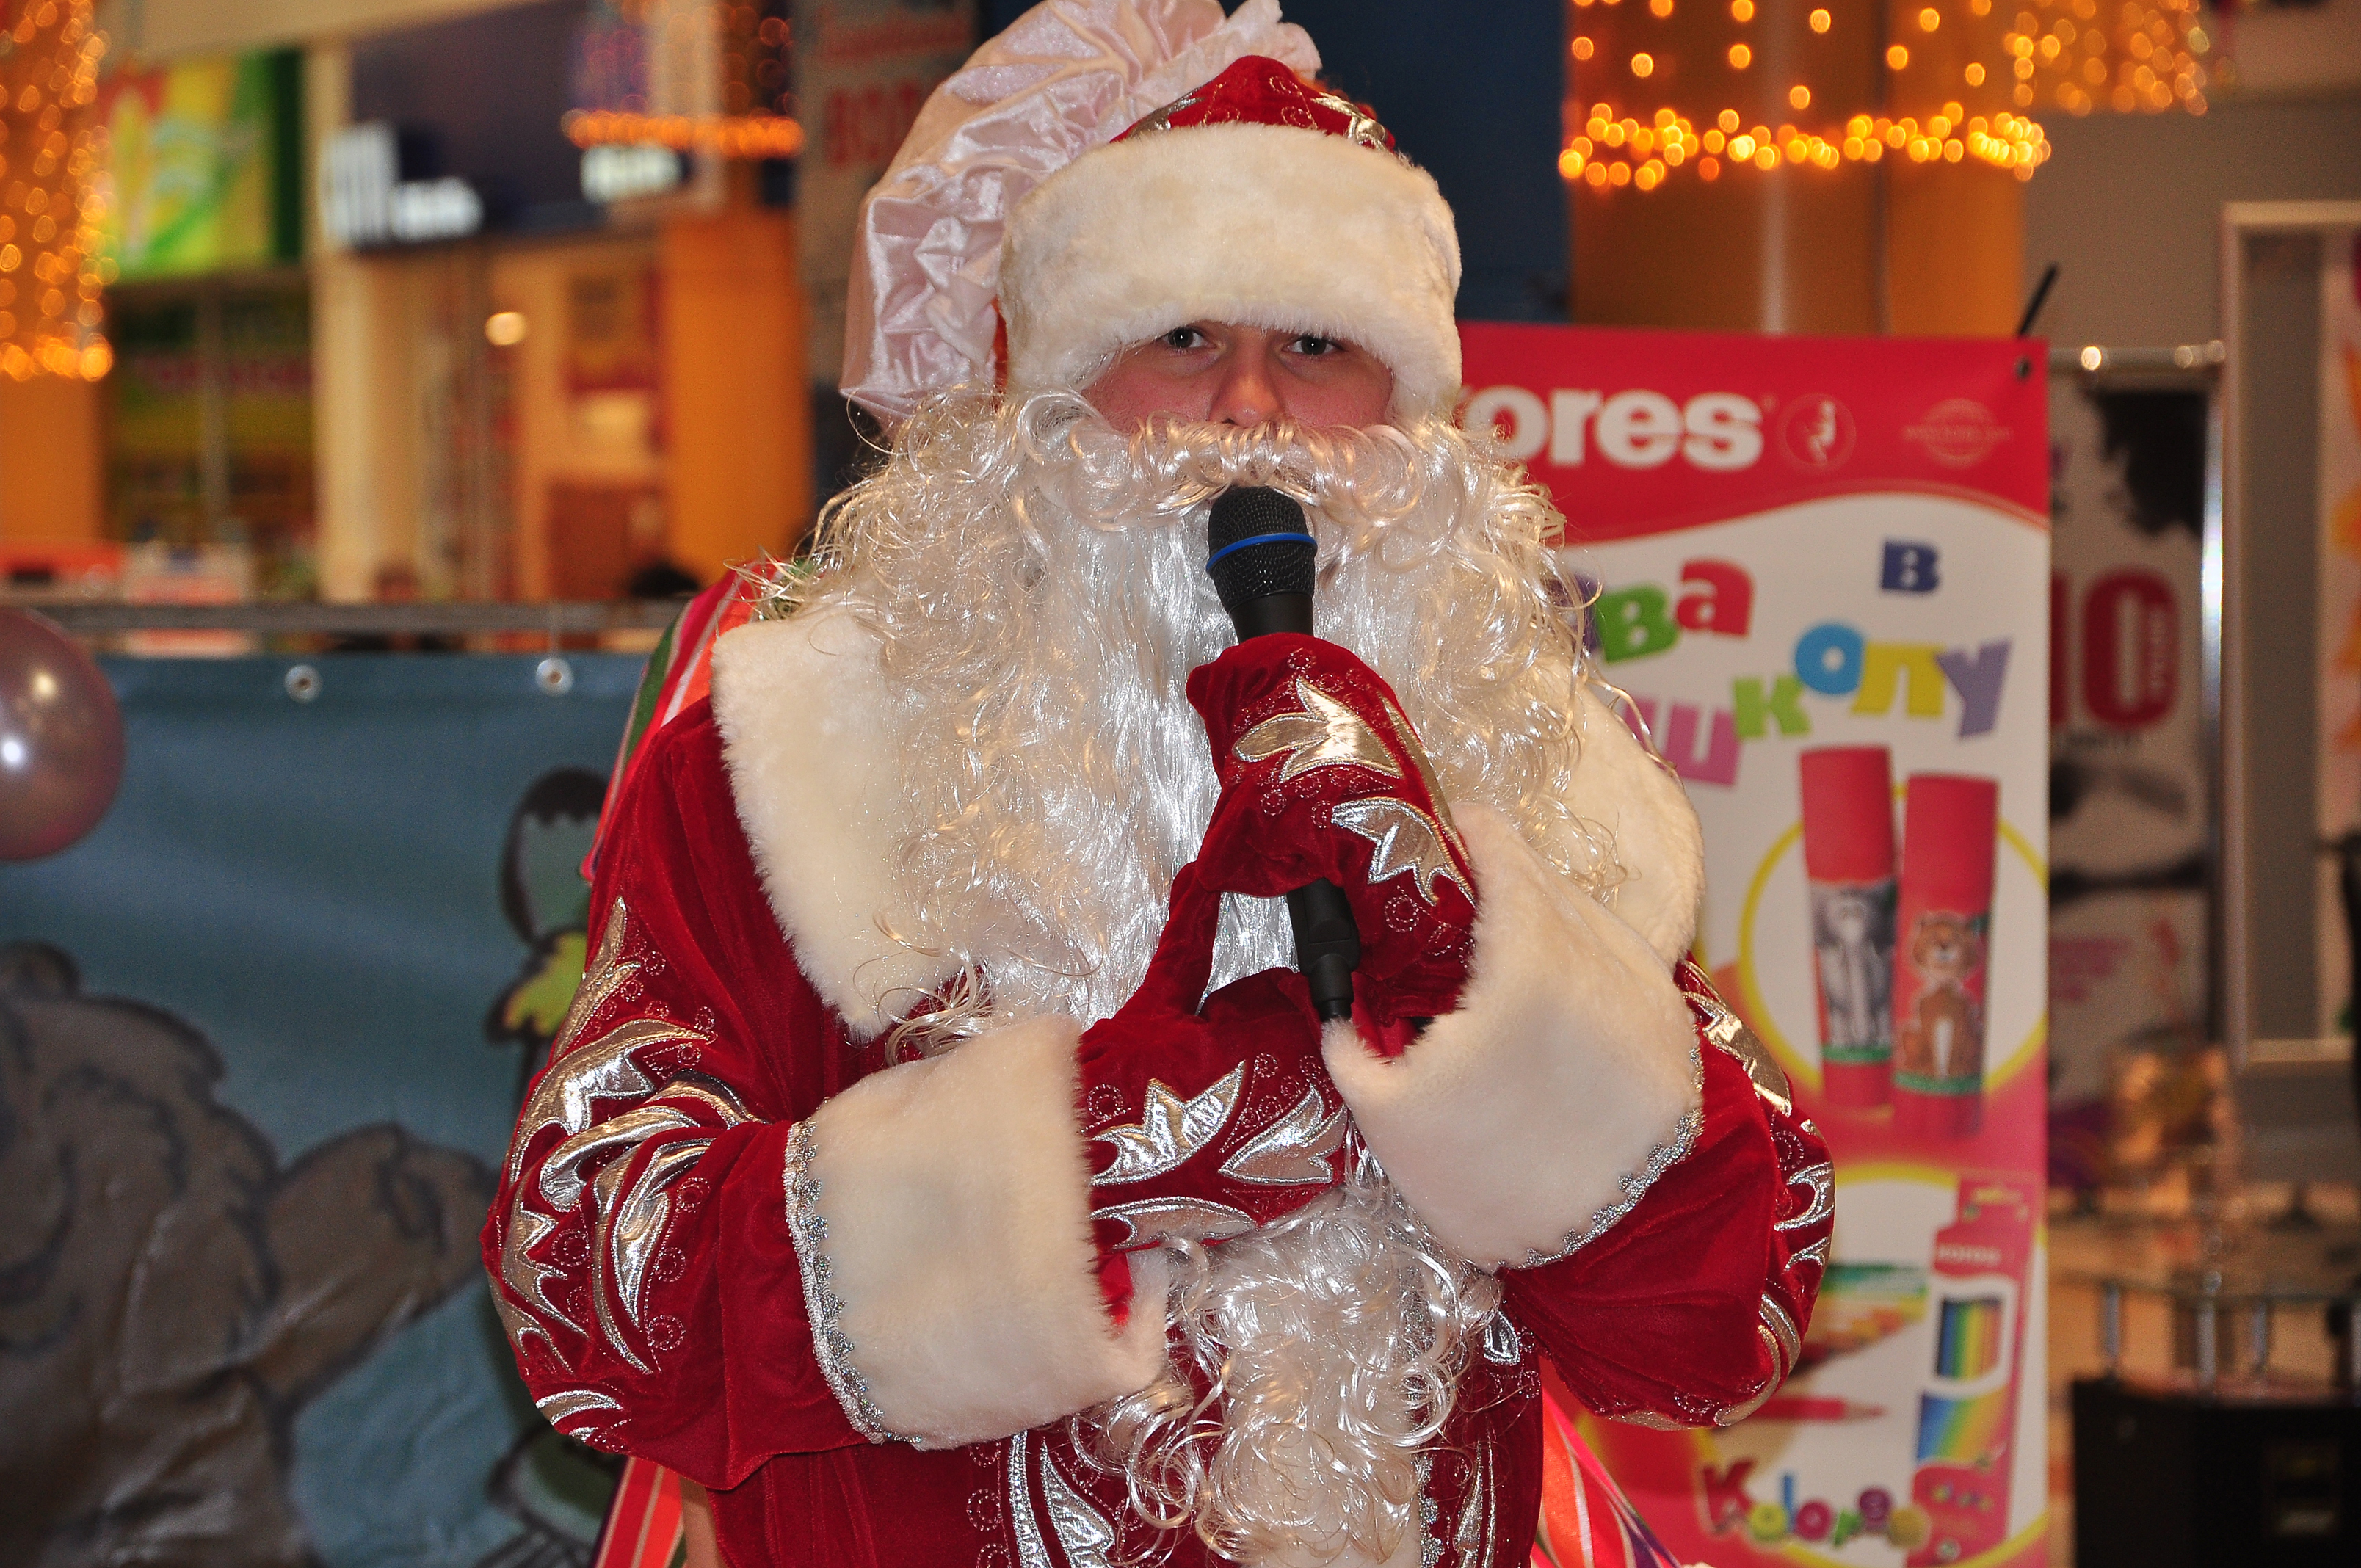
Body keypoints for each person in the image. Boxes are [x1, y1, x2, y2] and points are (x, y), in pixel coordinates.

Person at [485, 4, 1832, 1564]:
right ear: (1048, 400)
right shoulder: (803, 757)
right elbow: (586, 1287)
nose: (1251, 407)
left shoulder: (1532, 770)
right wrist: (1095, 1149)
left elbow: (1732, 1318)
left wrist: (1477, 974)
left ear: (1413, 422)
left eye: (1318, 347)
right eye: (1182, 337)